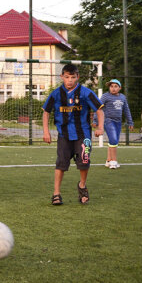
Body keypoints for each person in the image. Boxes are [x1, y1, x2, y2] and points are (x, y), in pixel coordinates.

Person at [42, 64, 104, 205]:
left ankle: (82, 186)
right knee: (61, 164)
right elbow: (46, 112)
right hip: (64, 135)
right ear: (62, 77)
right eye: (67, 77)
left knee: (84, 161)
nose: (70, 80)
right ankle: (56, 193)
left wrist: (100, 127)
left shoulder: (86, 93)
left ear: (78, 77)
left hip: (83, 134)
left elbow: (100, 110)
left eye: (73, 77)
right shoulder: (56, 94)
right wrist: (46, 131)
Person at [92, 78, 133, 169]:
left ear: (120, 88)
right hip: (108, 120)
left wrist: (130, 122)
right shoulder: (105, 96)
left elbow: (126, 110)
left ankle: (108, 160)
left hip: (118, 122)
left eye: (115, 86)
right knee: (113, 139)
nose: (113, 88)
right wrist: (95, 120)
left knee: (113, 141)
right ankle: (114, 162)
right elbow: (98, 108)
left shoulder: (122, 97)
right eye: (111, 86)